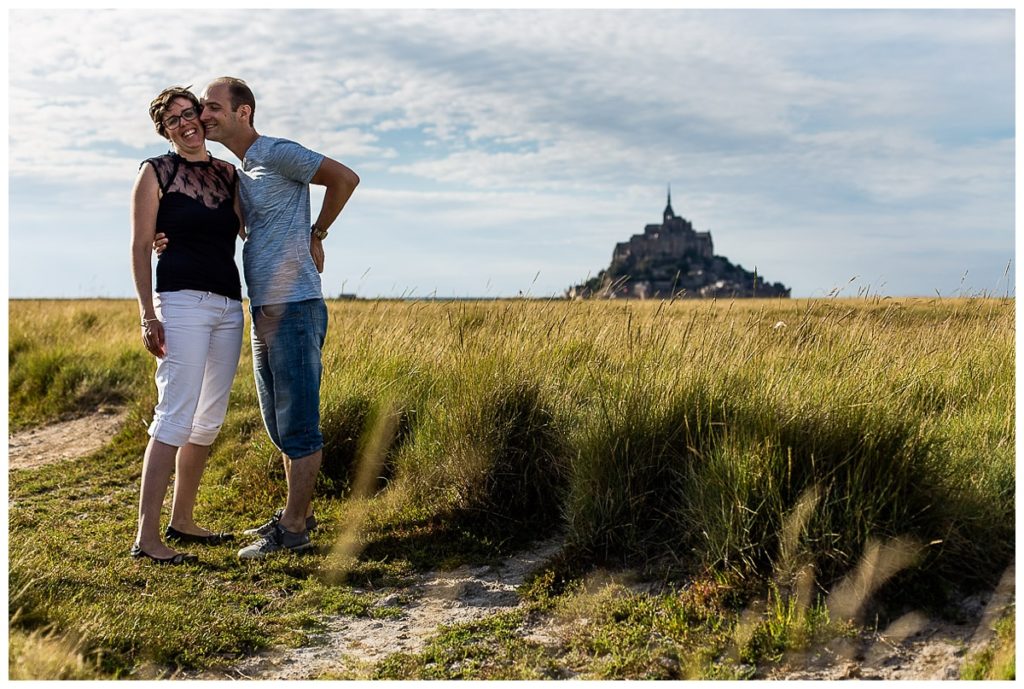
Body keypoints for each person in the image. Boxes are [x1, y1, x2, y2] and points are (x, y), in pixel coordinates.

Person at [162, 77, 360, 559]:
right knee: (277, 422)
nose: (203, 117)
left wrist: (319, 231)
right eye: (201, 109)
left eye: (211, 107)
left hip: (295, 305)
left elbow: (345, 178)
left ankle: (293, 530)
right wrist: (163, 237)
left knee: (299, 424)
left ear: (242, 112)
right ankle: (299, 514)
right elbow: (211, 221)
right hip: (263, 309)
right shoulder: (240, 170)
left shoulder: (275, 151)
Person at [129, 86, 245, 564]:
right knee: (174, 414)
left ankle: (183, 520)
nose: (186, 123)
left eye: (189, 113)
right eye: (173, 119)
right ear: (166, 130)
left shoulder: (229, 175)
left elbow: (251, 227)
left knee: (207, 420)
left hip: (228, 306)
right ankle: (147, 538)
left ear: (202, 115)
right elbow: (140, 246)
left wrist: (311, 236)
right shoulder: (156, 171)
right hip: (181, 303)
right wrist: (147, 313)